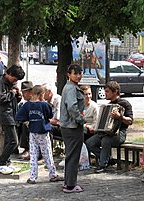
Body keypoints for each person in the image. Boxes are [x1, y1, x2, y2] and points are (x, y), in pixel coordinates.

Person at [15, 85, 64, 184]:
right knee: (47, 153)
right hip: (43, 131)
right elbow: (50, 115)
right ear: (42, 94)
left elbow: (18, 116)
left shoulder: (27, 105)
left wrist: (28, 121)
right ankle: (52, 174)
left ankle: (32, 177)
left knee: (33, 154)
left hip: (32, 132)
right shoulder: (44, 105)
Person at [86, 81, 133, 173]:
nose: (105, 93)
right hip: (106, 133)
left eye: (107, 91)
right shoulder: (107, 105)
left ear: (115, 92)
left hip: (120, 133)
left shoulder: (125, 104)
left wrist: (120, 116)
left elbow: (130, 121)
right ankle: (108, 159)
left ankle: (102, 164)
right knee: (89, 142)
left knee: (106, 140)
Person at [0, 65, 25, 174]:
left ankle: (6, 163)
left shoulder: (10, 84)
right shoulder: (0, 83)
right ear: (9, 74)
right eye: (14, 79)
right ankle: (1, 163)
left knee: (8, 141)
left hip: (11, 114)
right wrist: (13, 93)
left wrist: (18, 95)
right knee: (14, 141)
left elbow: (13, 100)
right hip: (5, 115)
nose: (15, 81)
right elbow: (1, 99)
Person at [59, 64, 85, 193]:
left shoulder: (71, 87)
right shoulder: (71, 88)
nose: (78, 76)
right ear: (68, 74)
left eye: (80, 73)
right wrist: (81, 120)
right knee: (73, 156)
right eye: (75, 73)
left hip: (69, 126)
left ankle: (68, 182)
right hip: (72, 127)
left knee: (71, 155)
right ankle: (70, 185)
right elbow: (72, 108)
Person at [17, 81, 34, 160]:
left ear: (30, 92)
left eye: (25, 92)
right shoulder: (24, 103)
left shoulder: (36, 101)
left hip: (36, 122)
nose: (23, 95)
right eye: (22, 92)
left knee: (25, 125)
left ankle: (27, 148)